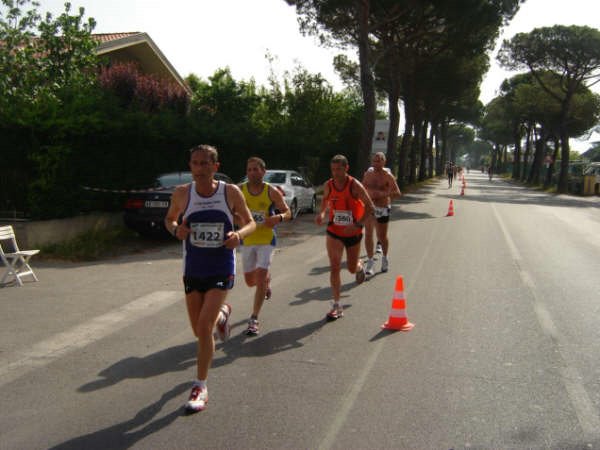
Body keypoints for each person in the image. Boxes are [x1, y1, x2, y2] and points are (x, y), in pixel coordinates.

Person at [164, 144, 255, 413]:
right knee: (199, 331)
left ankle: (200, 386)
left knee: (203, 328)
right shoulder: (182, 193)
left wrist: (239, 235)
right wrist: (175, 229)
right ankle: (223, 315)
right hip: (193, 267)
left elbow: (250, 222)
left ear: (216, 166)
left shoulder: (229, 192)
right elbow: (170, 219)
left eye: (205, 163)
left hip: (221, 266)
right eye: (195, 163)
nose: (200, 168)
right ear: (190, 166)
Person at [316, 154, 375, 320]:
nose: (336, 173)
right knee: (334, 266)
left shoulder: (354, 185)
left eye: (339, 169)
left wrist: (357, 224)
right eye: (333, 169)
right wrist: (321, 213)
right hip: (334, 231)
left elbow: (370, 207)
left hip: (353, 232)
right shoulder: (329, 184)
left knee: (350, 267)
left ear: (346, 168)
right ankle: (337, 305)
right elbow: (325, 201)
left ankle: (358, 267)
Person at [240, 156, 291, 336]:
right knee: (249, 281)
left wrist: (278, 217)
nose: (253, 172)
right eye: (250, 170)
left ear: (263, 171)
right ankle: (266, 281)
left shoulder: (271, 191)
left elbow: (287, 211)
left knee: (259, 277)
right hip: (247, 240)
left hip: (266, 240)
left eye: (256, 169)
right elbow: (230, 212)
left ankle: (254, 318)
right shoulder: (240, 191)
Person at [361, 152, 402, 276]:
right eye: (374, 161)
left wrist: (381, 194)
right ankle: (370, 262)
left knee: (381, 236)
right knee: (368, 234)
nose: (376, 163)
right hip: (370, 207)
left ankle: (384, 257)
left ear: (384, 162)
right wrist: (368, 194)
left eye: (378, 161)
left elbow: (397, 192)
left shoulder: (387, 175)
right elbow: (362, 188)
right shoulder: (368, 174)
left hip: (382, 207)